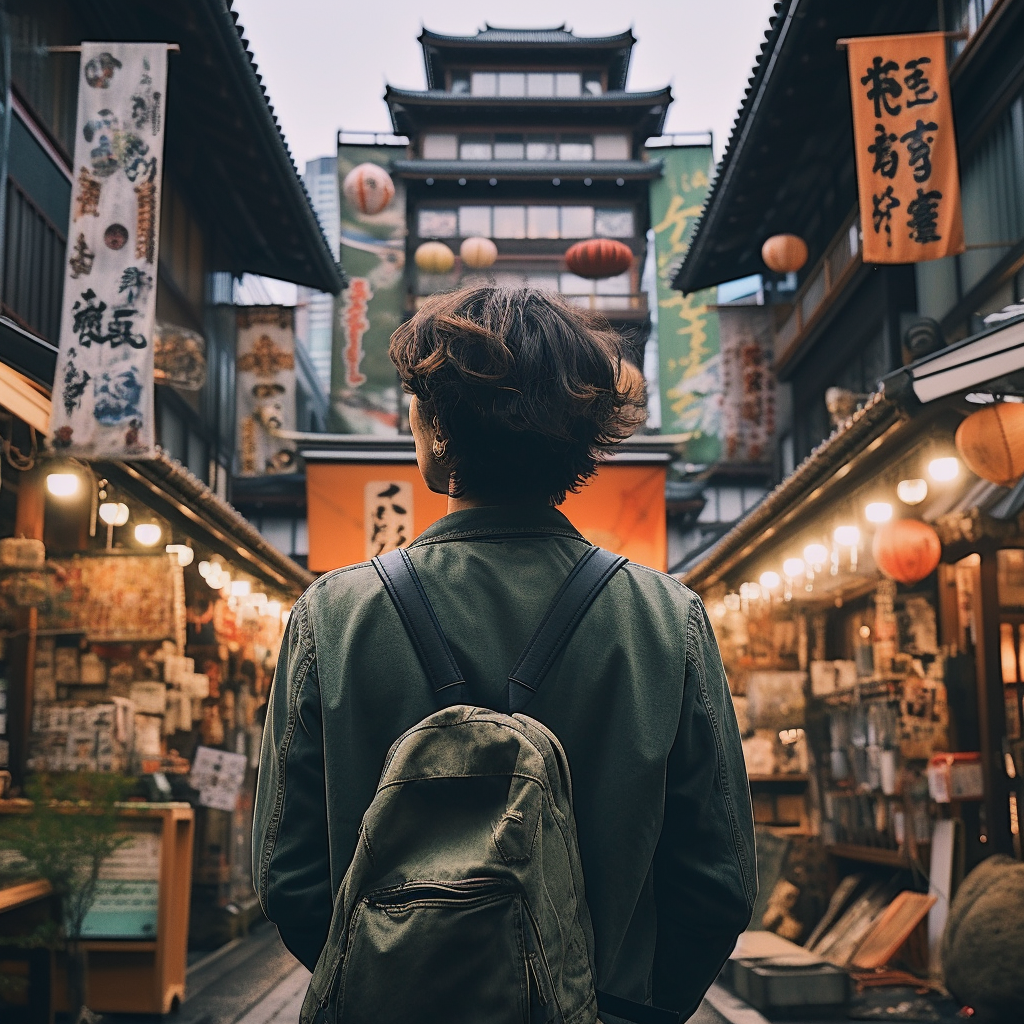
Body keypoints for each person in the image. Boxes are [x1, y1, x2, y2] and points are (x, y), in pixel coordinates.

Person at [252, 287, 756, 1020]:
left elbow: (285, 873)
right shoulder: (664, 617)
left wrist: (389, 983)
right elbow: (719, 881)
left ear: (438, 427)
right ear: (581, 439)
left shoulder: (334, 613)